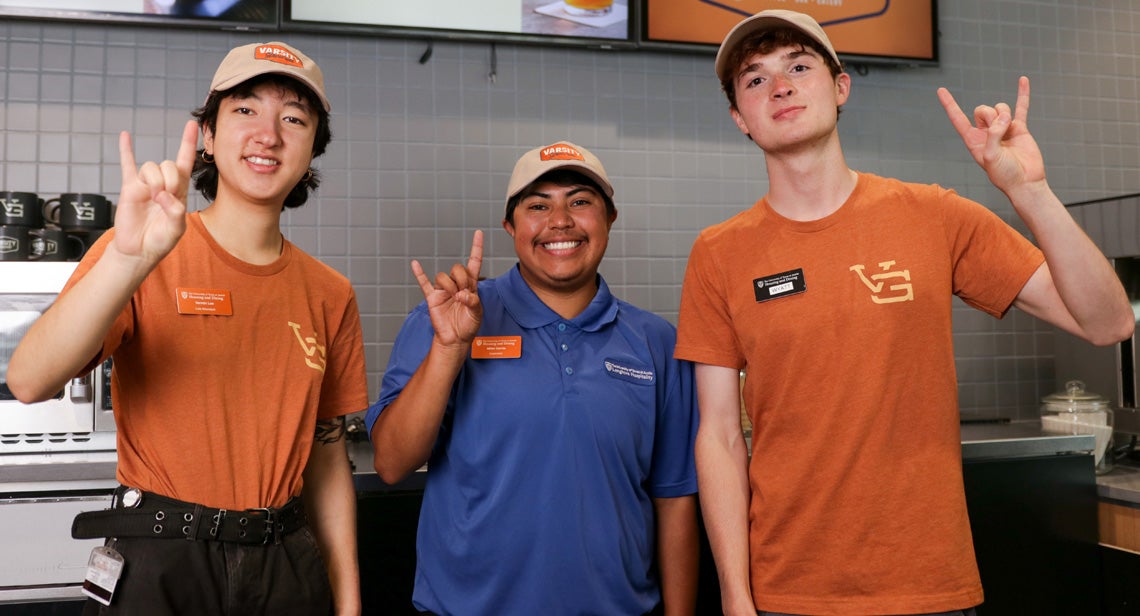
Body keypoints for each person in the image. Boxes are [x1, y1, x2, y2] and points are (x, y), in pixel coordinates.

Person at [674, 9, 1134, 616]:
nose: (779, 86)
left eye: (799, 66)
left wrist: (1029, 191)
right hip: (788, 589)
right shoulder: (718, 253)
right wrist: (735, 595)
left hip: (929, 587)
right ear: (740, 117)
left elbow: (1109, 324)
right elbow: (719, 438)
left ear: (841, 87)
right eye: (754, 79)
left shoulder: (935, 216)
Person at [6, 41, 367, 615]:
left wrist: (348, 603)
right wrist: (128, 260)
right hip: (161, 560)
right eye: (245, 109)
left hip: (286, 564)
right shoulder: (144, 250)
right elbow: (29, 381)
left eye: (293, 118)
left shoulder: (330, 293)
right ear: (206, 134)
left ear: (311, 150)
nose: (268, 134)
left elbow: (326, 461)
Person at [366, 141, 700, 616]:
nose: (560, 220)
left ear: (609, 219)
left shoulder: (656, 343)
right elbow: (392, 463)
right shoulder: (448, 318)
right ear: (511, 226)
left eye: (580, 202)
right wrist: (448, 349)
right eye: (537, 205)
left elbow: (674, 500)